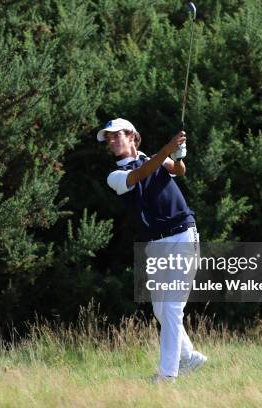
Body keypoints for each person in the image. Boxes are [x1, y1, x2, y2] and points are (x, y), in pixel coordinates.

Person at [97, 118, 207, 383]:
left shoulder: (151, 158)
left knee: (170, 308)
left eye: (116, 135)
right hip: (155, 245)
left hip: (182, 235)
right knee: (160, 309)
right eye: (108, 138)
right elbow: (140, 174)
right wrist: (168, 149)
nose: (111, 141)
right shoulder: (115, 176)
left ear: (132, 136)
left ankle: (167, 375)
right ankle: (189, 357)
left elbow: (178, 171)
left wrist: (178, 156)